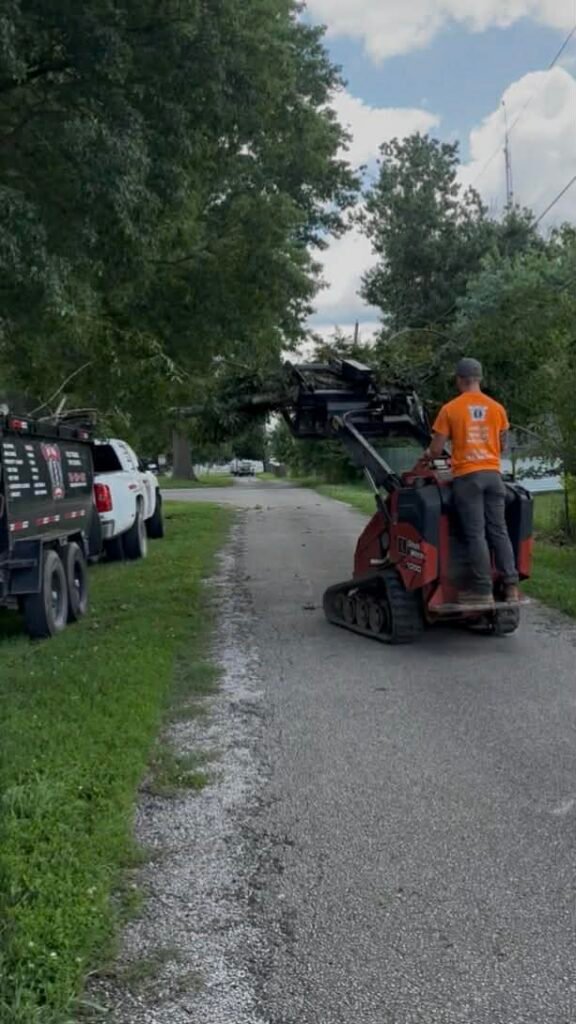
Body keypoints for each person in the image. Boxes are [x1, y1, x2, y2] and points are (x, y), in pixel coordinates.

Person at [424, 357, 519, 607]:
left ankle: (483, 590)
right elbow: (502, 445)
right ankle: (511, 587)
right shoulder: (497, 408)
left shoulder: (450, 409)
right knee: (499, 530)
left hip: (468, 479)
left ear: (459, 380)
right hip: (494, 476)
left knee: (476, 534)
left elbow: (436, 449)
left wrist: (428, 455)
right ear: (479, 379)